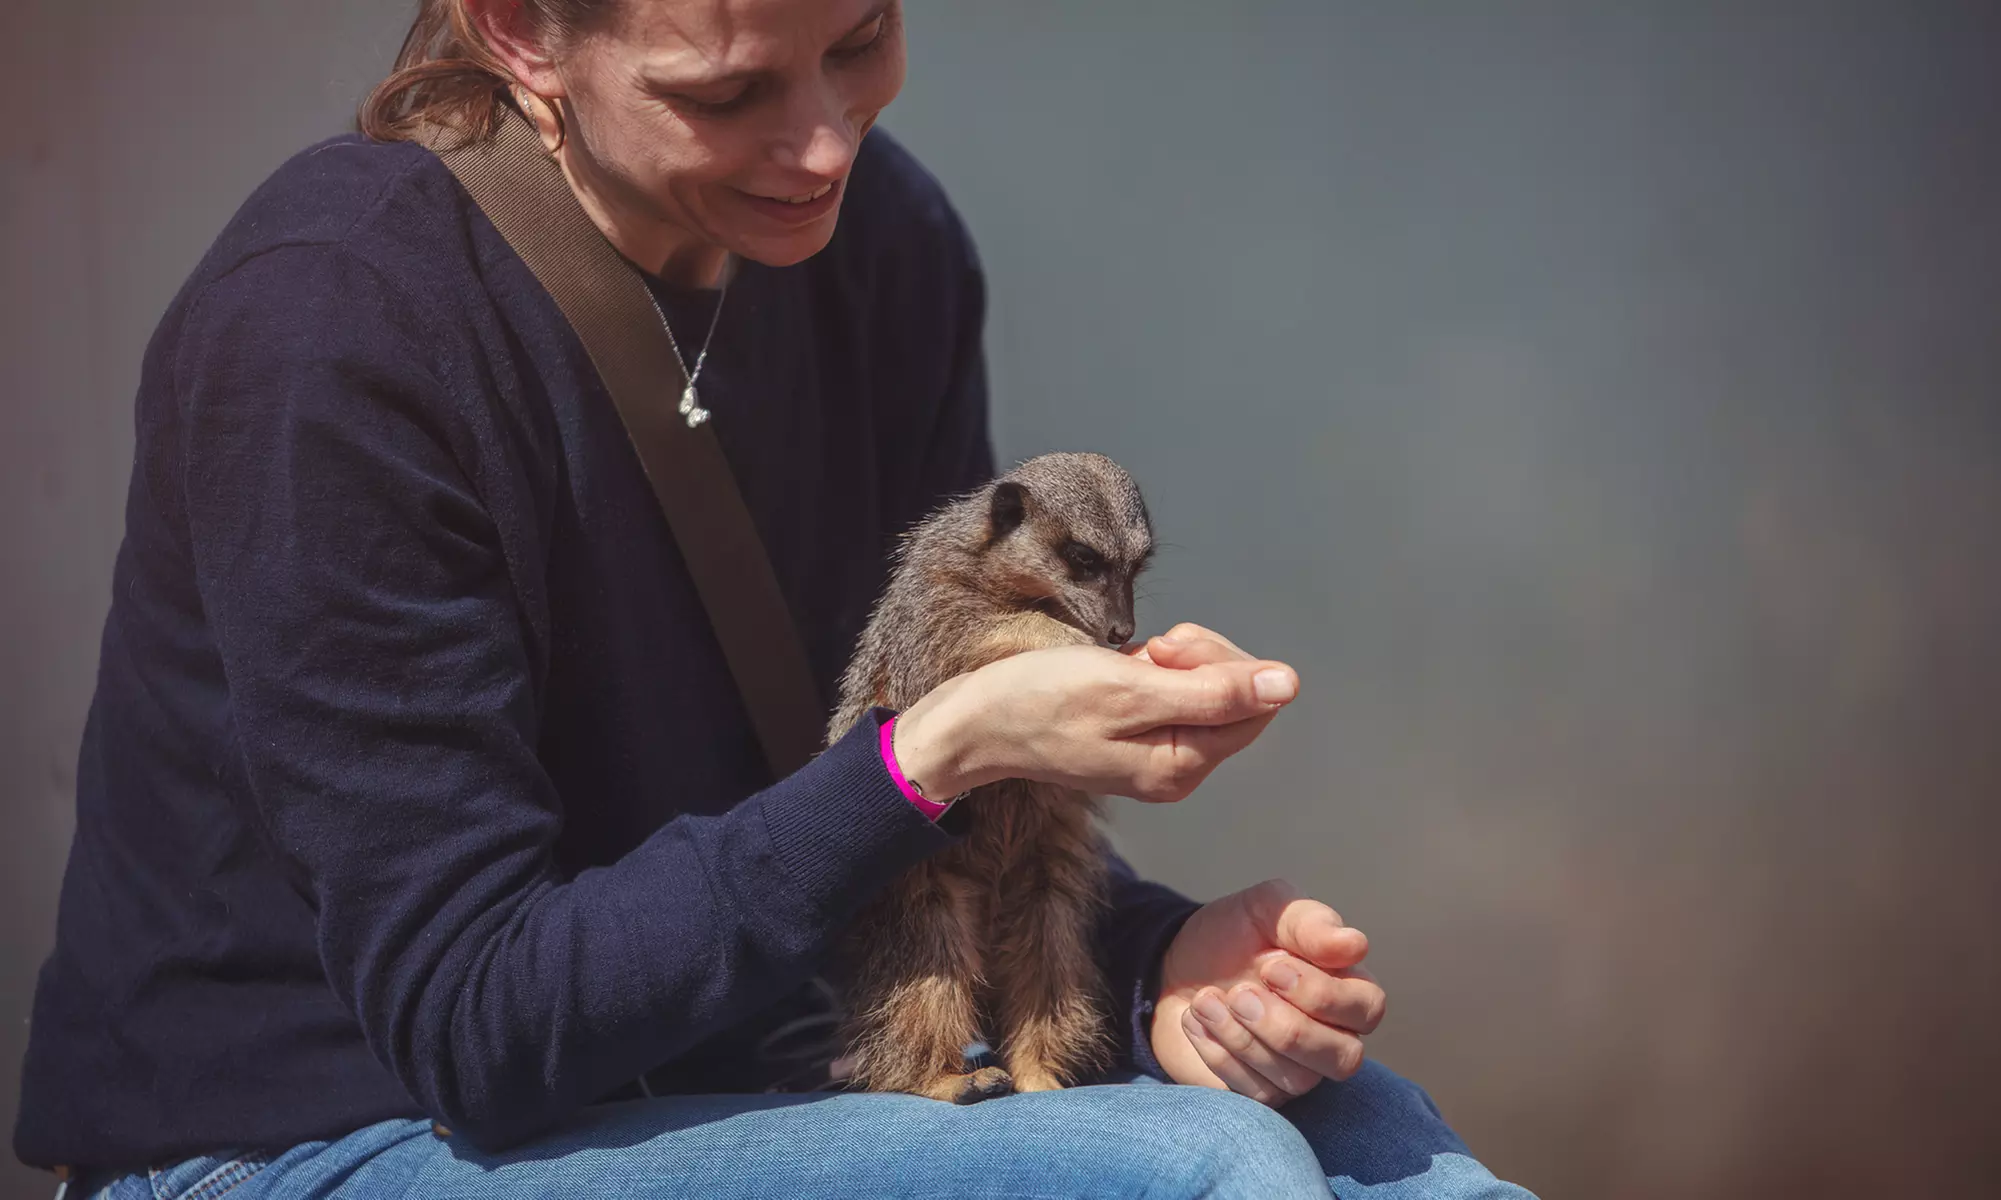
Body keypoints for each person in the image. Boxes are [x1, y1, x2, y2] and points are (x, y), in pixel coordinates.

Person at [14, 1, 1536, 1197]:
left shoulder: (892, 249)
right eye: (727, 92)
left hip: (744, 1058)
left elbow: (841, 845)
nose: (822, 148)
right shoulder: (329, 326)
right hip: (312, 1140)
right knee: (1203, 1173)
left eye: (861, 38)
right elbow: (478, 1027)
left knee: (1379, 1148)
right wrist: (938, 748)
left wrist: (1154, 971)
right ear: (518, 30)